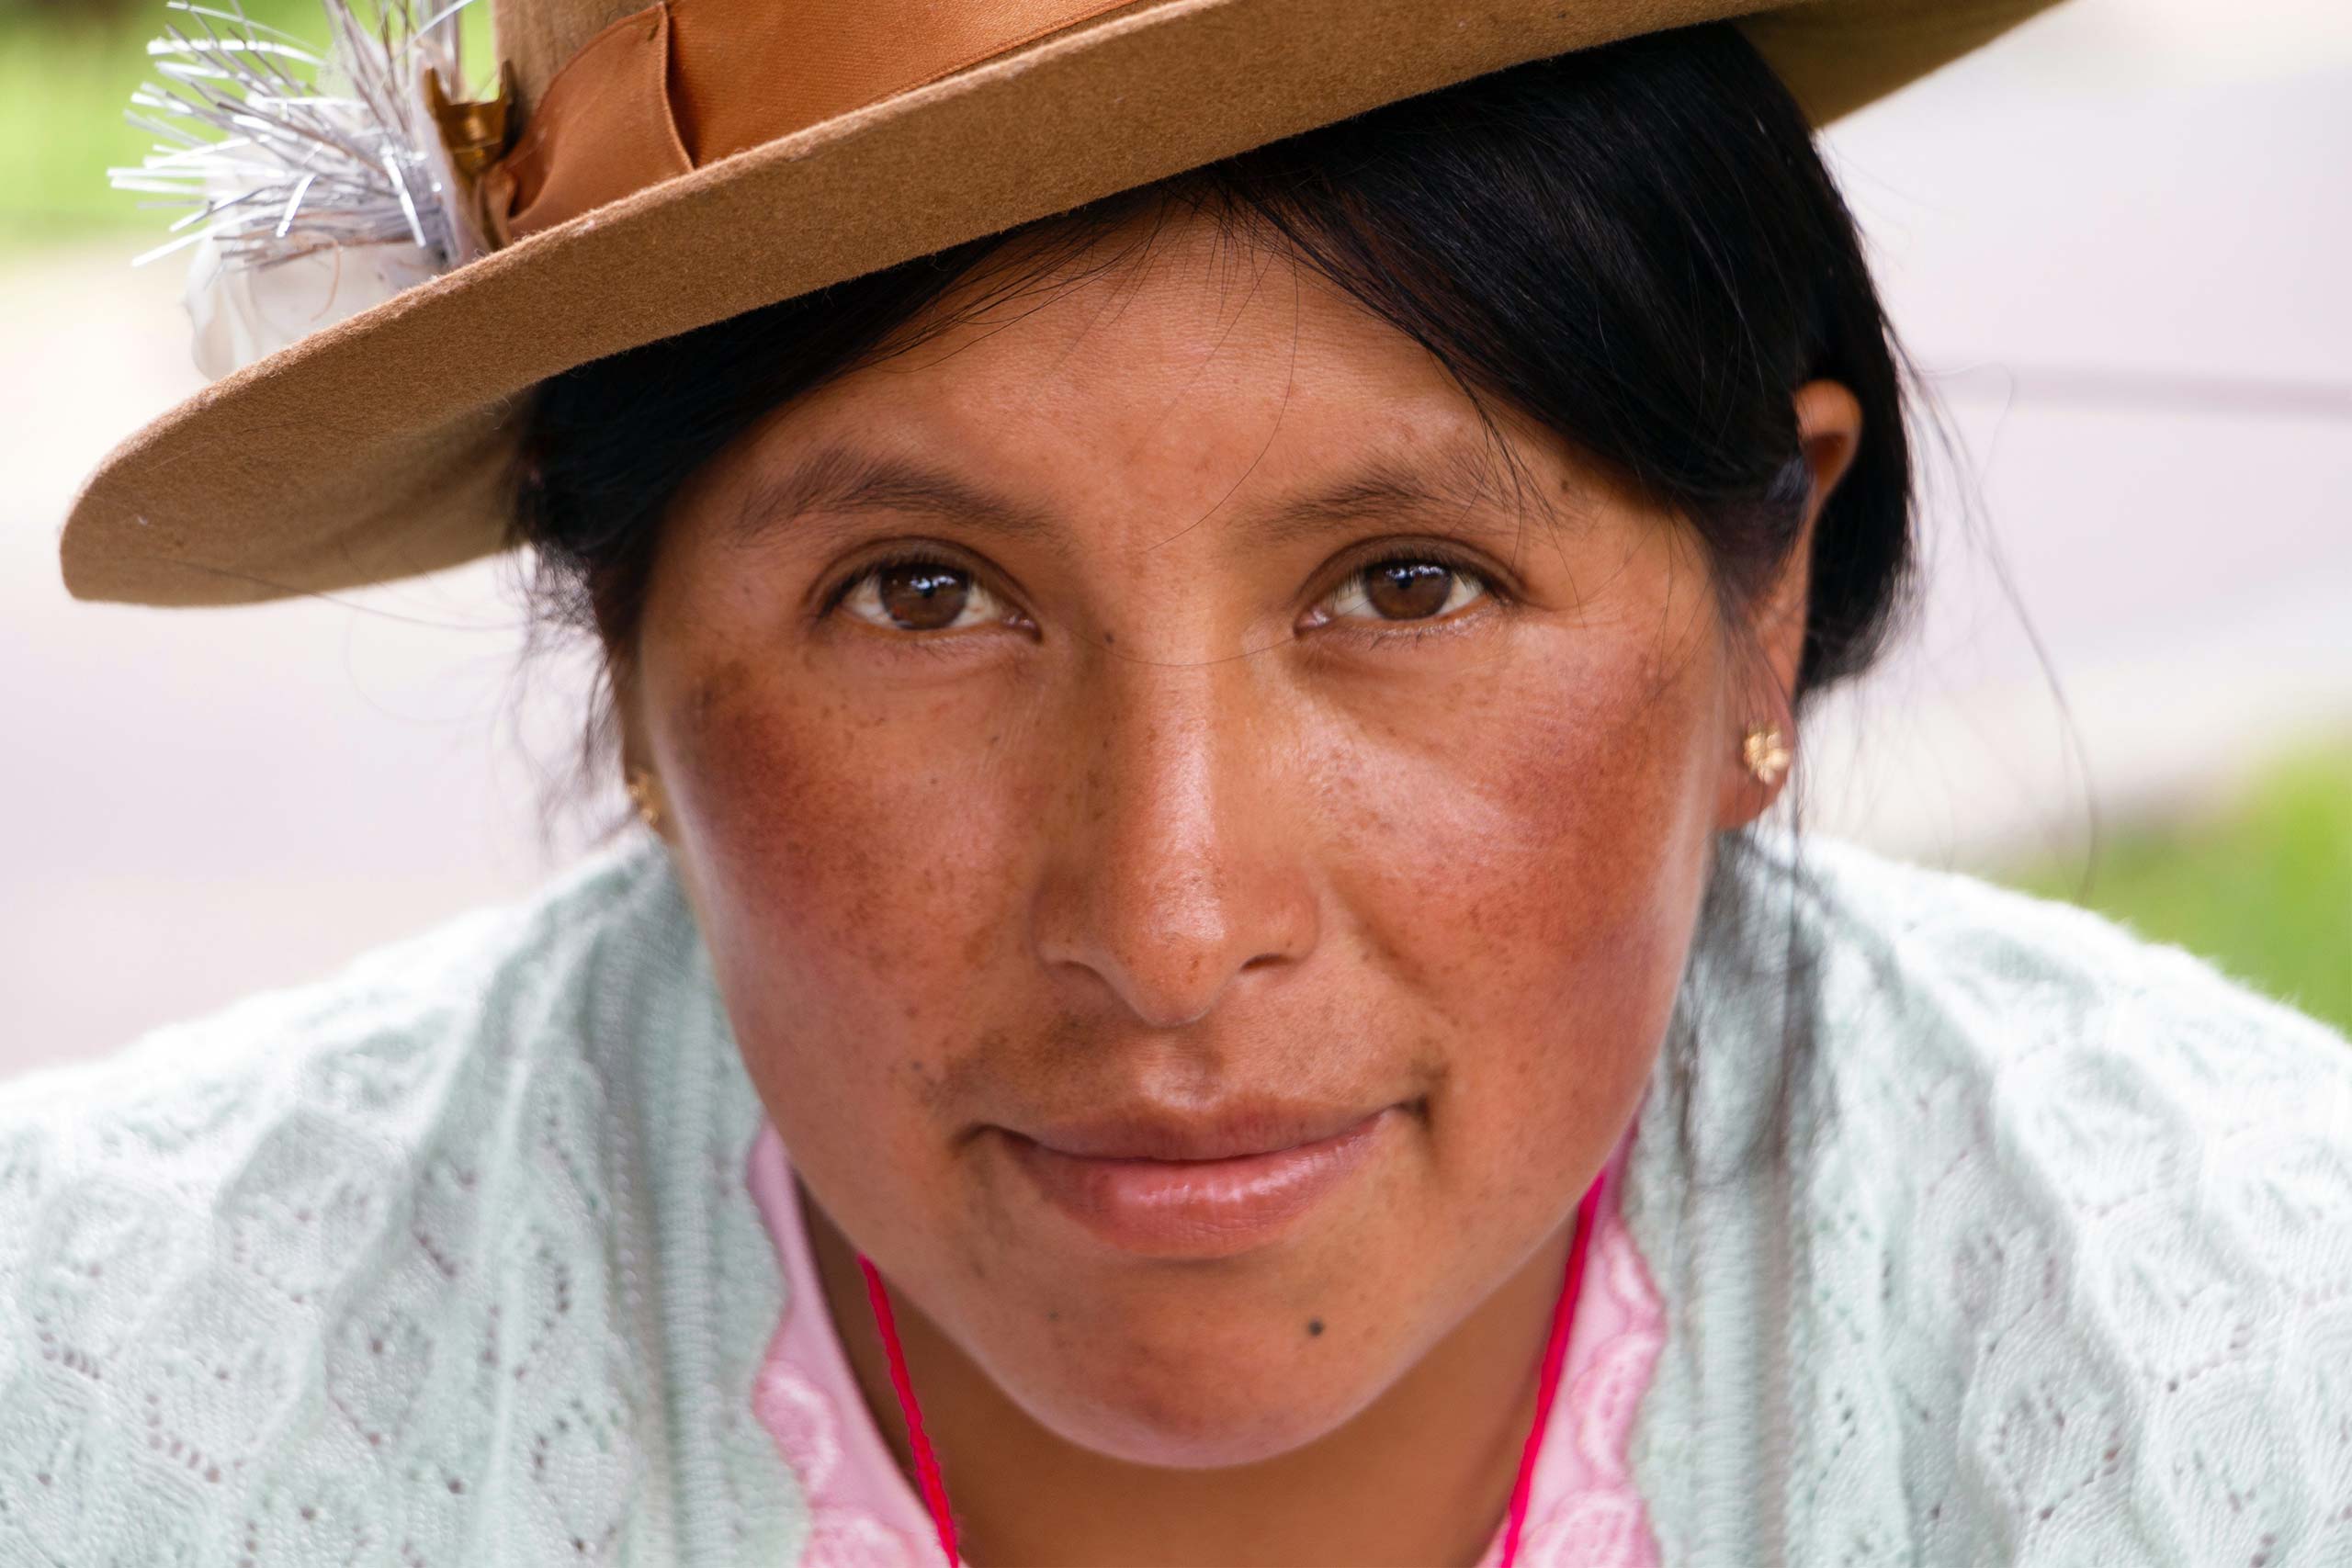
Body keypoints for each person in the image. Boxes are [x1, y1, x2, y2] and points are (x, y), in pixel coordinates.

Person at [9, 1, 2348, 1563]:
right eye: (921, 596)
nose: (1165, 914)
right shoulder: (98, 1396)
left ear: (1765, 594)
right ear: (627, 658)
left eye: (1408, 580)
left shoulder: (2240, 1371)